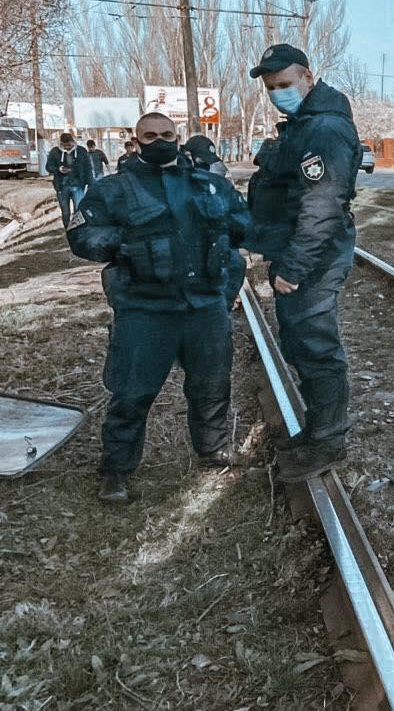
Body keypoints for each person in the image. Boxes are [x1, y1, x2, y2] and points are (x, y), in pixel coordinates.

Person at [65, 112, 250, 504]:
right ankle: (116, 472)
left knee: (212, 385)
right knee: (131, 394)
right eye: (150, 135)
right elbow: (81, 234)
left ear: (178, 136)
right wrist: (125, 244)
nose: (160, 141)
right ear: (136, 139)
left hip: (204, 307)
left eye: (167, 134)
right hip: (144, 310)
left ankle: (213, 450)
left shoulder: (209, 184)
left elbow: (245, 222)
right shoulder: (113, 189)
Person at [245, 43, 361, 482]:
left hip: (314, 254)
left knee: (314, 344)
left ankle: (328, 440)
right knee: (298, 340)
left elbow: (322, 205)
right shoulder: (304, 124)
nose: (278, 93)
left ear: (308, 78)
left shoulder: (324, 129)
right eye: (272, 88)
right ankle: (317, 431)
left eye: (285, 84)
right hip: (299, 248)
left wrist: (294, 267)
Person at [45, 132, 92, 227]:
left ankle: (77, 229)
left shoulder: (81, 151)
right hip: (62, 186)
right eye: (64, 145)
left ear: (73, 142)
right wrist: (58, 169)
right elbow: (48, 166)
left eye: (69, 145)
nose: (67, 147)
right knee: (65, 212)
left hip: (78, 185)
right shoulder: (54, 152)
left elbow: (88, 168)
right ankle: (67, 229)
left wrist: (90, 183)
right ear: (61, 143)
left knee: (78, 210)